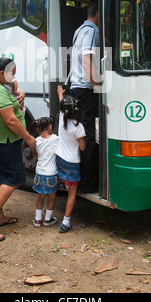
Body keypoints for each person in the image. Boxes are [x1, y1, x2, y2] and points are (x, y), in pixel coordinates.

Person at [0, 58, 36, 242]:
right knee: (13, 178)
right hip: (6, 141)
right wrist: (28, 137)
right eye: (12, 72)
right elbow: (10, 120)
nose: (14, 76)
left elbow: (14, 91)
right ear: (1, 73)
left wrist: (22, 94)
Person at [70, 2, 100, 193]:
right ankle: (88, 184)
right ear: (99, 14)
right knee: (90, 136)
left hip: (76, 88)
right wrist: (98, 86)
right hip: (86, 89)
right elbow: (87, 61)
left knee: (79, 133)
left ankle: (77, 179)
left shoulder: (79, 31)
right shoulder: (91, 30)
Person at [56, 85, 86, 233]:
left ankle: (47, 215)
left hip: (59, 159)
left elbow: (62, 105)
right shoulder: (78, 127)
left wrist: (60, 94)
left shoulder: (62, 119)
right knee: (72, 193)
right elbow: (82, 148)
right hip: (72, 163)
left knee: (60, 184)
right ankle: (66, 221)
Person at [32, 116, 59, 228]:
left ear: (38, 129)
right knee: (52, 197)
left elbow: (35, 154)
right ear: (50, 126)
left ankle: (38, 220)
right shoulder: (56, 139)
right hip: (52, 173)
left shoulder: (36, 141)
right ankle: (47, 219)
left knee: (40, 197)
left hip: (39, 173)